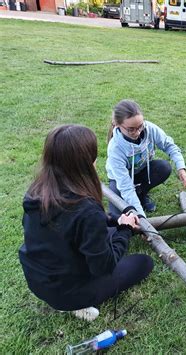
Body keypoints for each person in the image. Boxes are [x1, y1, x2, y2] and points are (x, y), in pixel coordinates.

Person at [19, 125, 154, 321]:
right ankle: (75, 305)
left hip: (38, 279)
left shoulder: (38, 190)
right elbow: (103, 266)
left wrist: (116, 221)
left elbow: (78, 226)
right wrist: (125, 230)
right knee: (143, 263)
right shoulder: (86, 209)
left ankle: (69, 298)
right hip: (68, 292)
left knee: (109, 235)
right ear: (84, 161)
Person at [106, 99, 186, 217]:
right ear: (117, 125)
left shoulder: (150, 128)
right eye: (131, 129)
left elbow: (169, 146)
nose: (137, 132)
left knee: (164, 167)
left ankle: (141, 194)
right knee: (116, 216)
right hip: (119, 179)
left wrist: (181, 167)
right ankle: (135, 200)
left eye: (140, 126)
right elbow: (126, 187)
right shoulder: (115, 148)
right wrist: (141, 217)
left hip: (141, 171)